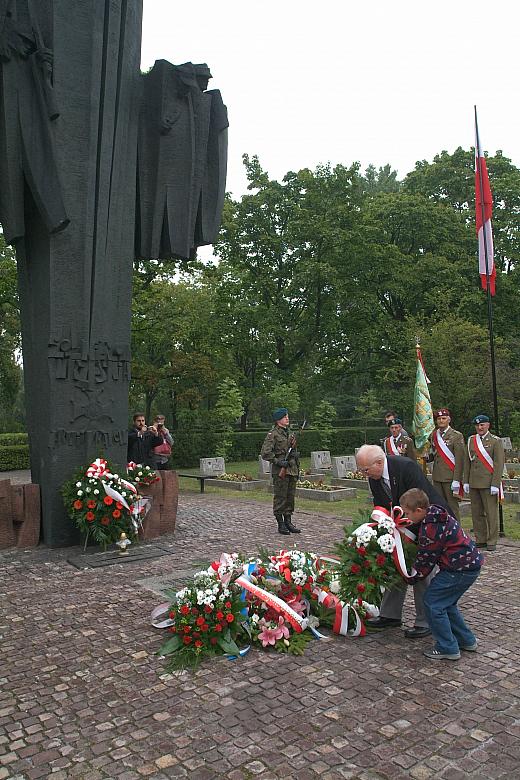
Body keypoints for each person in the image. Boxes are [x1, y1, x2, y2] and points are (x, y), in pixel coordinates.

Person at [355, 444, 448, 638]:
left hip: (426, 524)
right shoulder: (375, 476)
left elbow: (423, 504)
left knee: (421, 570)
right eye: (361, 470)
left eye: (365, 470)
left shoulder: (405, 468)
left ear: (379, 462)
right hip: (400, 526)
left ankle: (426, 621)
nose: (364, 474)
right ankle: (390, 615)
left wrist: (410, 534)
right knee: (394, 564)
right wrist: (382, 531)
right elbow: (380, 504)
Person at [399, 488, 482, 660]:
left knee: (433, 603)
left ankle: (447, 647)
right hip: (469, 565)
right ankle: (466, 640)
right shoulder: (436, 514)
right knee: (447, 603)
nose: (406, 517)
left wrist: (411, 577)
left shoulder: (431, 528)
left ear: (419, 511)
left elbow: (426, 559)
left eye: (407, 513)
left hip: (458, 569)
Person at [464, 414, 505, 552]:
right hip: (474, 482)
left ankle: (492, 540)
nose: (479, 427)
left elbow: (499, 464)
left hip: (488, 483)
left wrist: (495, 483)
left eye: (482, 425)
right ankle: (480, 539)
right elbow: (467, 462)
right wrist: (466, 481)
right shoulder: (471, 440)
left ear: (488, 425)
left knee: (491, 513)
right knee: (476, 513)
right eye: (477, 425)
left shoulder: (495, 441)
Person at [261, 408, 301, 535]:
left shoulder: (290, 433)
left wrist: (295, 455)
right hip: (281, 470)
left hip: (292, 469)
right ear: (279, 420)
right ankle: (281, 523)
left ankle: (288, 522)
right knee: (280, 498)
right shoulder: (273, 434)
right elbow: (265, 453)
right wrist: (278, 462)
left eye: (287, 416)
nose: (287, 419)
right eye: (285, 417)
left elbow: (291, 451)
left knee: (290, 497)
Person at [428, 408, 465, 521]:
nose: (441, 421)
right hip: (437, 476)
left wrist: (457, 479)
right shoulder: (434, 435)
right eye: (438, 419)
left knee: (452, 507)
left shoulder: (456, 436)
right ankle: (443, 530)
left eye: (443, 418)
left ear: (449, 419)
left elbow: (460, 459)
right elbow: (432, 455)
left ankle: (456, 531)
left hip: (450, 476)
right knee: (439, 506)